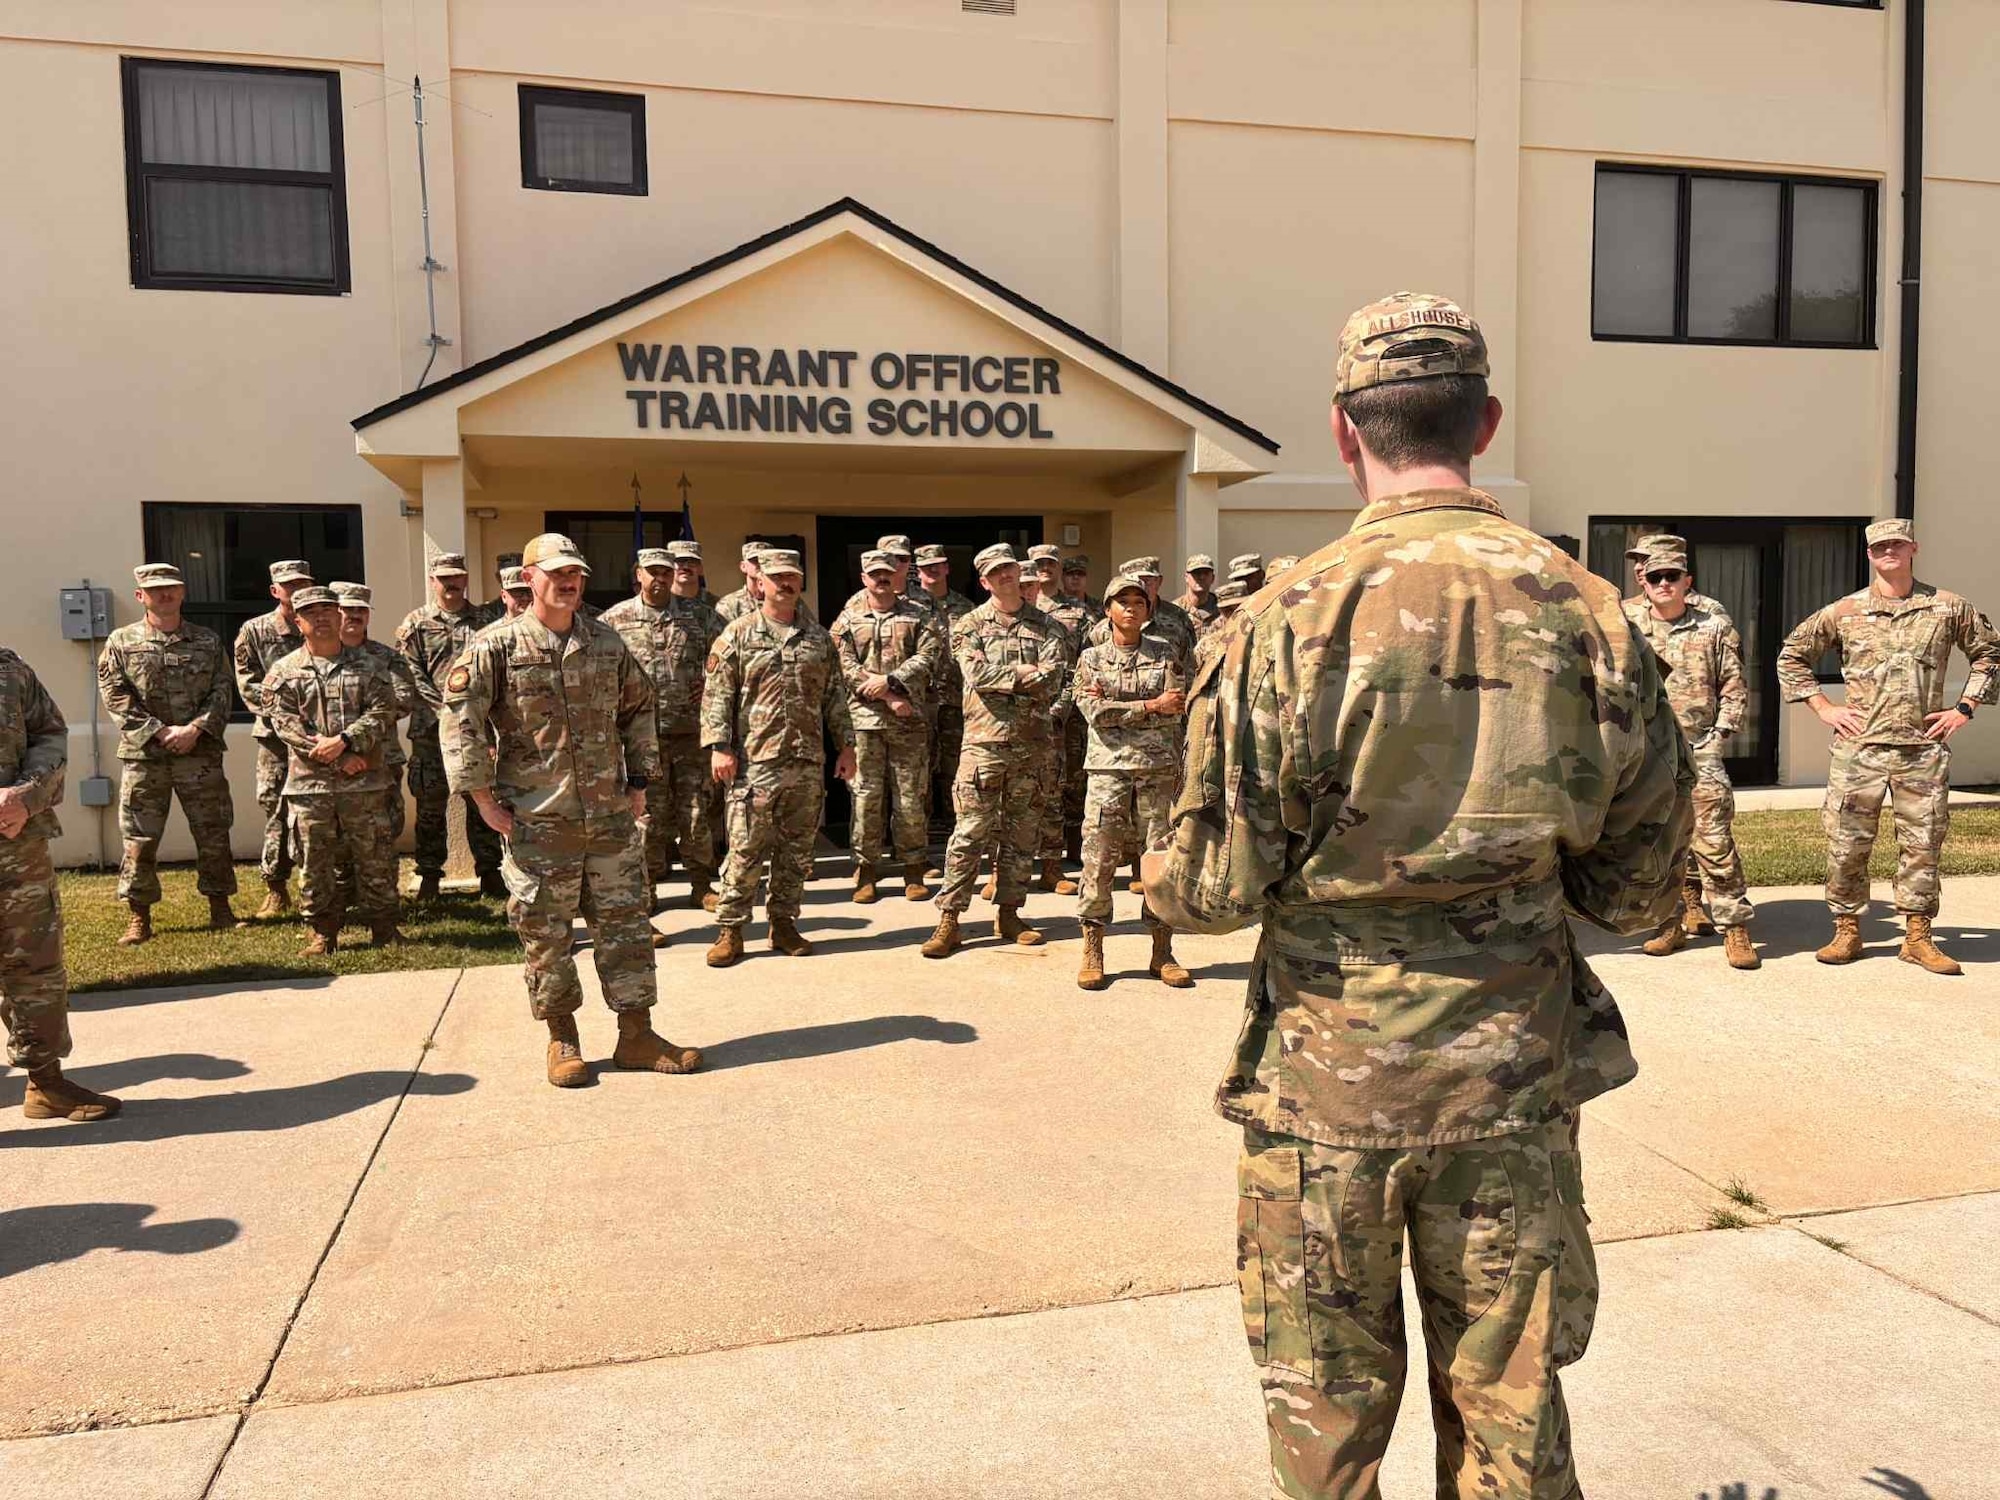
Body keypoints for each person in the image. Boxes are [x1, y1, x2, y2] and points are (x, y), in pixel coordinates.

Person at [1148, 291, 1690, 1499]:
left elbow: (1208, 890)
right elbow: (1647, 883)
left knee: (1324, 1423)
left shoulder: (1279, 619)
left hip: (1327, 1087)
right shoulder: (1591, 613)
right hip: (1511, 1082)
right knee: (1509, 1408)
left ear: (1343, 434)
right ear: (1484, 423)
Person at [443, 532, 700, 1088]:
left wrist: (639, 782)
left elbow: (639, 710)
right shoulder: (497, 646)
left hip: (608, 817)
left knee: (626, 927)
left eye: (577, 574)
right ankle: (563, 1038)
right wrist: (482, 799)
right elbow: (460, 720)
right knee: (546, 933)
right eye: (556, 572)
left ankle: (637, 1034)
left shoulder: (607, 644)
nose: (568, 581)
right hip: (538, 819)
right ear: (529, 579)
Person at [1777, 516, 2000, 974]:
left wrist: (1965, 707)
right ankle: (1846, 929)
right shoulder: (1844, 611)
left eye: (1897, 545)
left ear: (1913, 548)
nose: (1889, 553)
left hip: (1922, 749)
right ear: (1869, 556)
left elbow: (1989, 653)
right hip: (1859, 750)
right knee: (1847, 843)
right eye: (1880, 548)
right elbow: (1792, 656)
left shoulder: (1947, 607)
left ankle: (1917, 935)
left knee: (1923, 843)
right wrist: (1824, 708)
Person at [701, 549, 855, 966]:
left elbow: (835, 696)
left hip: (806, 762)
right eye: (777, 577)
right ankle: (730, 930)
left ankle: (783, 924)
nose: (785, 584)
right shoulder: (738, 634)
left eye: (792, 577)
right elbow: (718, 695)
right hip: (755, 763)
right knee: (746, 850)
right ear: (760, 582)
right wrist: (720, 746)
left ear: (800, 582)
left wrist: (847, 746)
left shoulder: (819, 639)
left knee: (797, 851)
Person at [921, 544, 1067, 957]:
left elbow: (1053, 677)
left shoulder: (1048, 626)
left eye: (1009, 569)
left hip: (1032, 747)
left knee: (1022, 836)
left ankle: (1009, 912)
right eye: (996, 572)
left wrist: (1009, 676)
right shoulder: (969, 625)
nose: (1005, 576)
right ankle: (949, 920)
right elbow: (976, 673)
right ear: (984, 581)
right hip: (984, 746)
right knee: (969, 834)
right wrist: (1024, 672)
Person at [2, 648, 119, 1122]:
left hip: (15, 847)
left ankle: (45, 1083)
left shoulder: (9, 670)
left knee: (34, 967)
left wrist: (27, 796)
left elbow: (50, 734)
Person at [98, 562, 240, 944]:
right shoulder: (121, 642)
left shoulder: (207, 641)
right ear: (140, 596)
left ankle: (220, 907)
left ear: (182, 593)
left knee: (213, 832)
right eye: (156, 589)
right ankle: (139, 917)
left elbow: (223, 690)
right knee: (140, 840)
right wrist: (159, 731)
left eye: (172, 588)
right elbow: (115, 695)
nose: (165, 595)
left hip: (199, 754)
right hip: (146, 758)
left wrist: (195, 729)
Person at [1631, 552, 1759, 968]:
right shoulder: (1628, 628)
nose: (1663, 583)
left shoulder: (1714, 628)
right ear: (1644, 583)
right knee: (1658, 842)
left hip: (1699, 748)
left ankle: (1736, 928)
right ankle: (1669, 923)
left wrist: (1720, 736)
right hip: (1647, 753)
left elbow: (1735, 687)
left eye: (1671, 576)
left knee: (1714, 841)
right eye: (1655, 578)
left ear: (1687, 581)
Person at [263, 587, 403, 953]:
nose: (322, 617)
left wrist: (345, 740)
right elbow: (285, 725)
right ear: (298, 621)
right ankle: (322, 931)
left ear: (341, 616)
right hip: (311, 787)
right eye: (311, 612)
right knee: (314, 861)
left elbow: (382, 712)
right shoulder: (283, 672)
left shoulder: (370, 667)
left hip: (365, 781)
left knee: (376, 856)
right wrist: (338, 755)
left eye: (328, 610)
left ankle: (384, 928)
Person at [1073, 574, 1190, 991]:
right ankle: (1093, 946)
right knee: (1099, 857)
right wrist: (1148, 706)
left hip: (1157, 769)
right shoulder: (1091, 658)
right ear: (1107, 610)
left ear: (1148, 611)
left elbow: (1176, 706)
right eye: (1121, 602)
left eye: (1138, 602)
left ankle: (1162, 950)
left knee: (1159, 859)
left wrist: (1126, 707)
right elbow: (1093, 711)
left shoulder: (1166, 653)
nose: (1130, 608)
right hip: (1107, 770)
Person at [602, 547, 725, 923]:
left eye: (666, 572)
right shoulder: (614, 620)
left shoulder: (700, 616)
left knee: (696, 812)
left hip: (690, 733)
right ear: (637, 573)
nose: (660, 579)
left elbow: (725, 662)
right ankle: (648, 888)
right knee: (647, 816)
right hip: (642, 737)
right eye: (652, 572)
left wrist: (710, 684)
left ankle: (702, 885)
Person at [832, 550, 943, 904]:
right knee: (866, 797)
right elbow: (842, 664)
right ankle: (866, 871)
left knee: (911, 797)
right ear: (864, 578)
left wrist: (892, 682)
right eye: (874, 574)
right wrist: (885, 695)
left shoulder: (919, 616)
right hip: (864, 723)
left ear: (897, 576)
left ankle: (913, 868)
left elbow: (929, 657)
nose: (881, 579)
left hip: (908, 721)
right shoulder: (848, 619)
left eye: (887, 573)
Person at [396, 552, 506, 902]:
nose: (451, 583)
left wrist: (475, 715)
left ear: (466, 579)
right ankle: (429, 875)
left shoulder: (485, 621)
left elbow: (495, 671)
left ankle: (490, 872)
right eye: (444, 578)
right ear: (433, 581)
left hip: (478, 730)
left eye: (457, 577)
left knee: (481, 800)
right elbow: (410, 674)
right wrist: (446, 711)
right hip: (431, 733)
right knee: (430, 807)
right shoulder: (414, 624)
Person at [233, 559, 311, 917]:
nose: (295, 592)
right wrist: (287, 717)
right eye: (289, 586)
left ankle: (331, 886)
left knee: (321, 811)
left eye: (301, 584)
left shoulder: (324, 622)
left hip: (318, 737)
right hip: (275, 739)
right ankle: (276, 888)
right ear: (275, 590)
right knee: (277, 811)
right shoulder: (255, 630)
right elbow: (247, 683)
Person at [332, 580, 418, 859]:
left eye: (361, 609)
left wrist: (356, 727)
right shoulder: (321, 656)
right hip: (333, 757)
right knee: (336, 831)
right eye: (348, 609)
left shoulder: (387, 657)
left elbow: (403, 699)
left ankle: (380, 896)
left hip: (381, 756)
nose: (355, 615)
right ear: (336, 612)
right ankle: (344, 895)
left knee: (386, 825)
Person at [914, 542, 978, 853]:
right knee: (919, 776)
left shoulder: (966, 608)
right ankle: (918, 848)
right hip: (918, 703)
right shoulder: (908, 607)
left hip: (956, 702)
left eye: (938, 565)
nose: (933, 571)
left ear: (947, 568)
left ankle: (959, 845)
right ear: (918, 571)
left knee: (956, 774)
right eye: (927, 567)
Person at [1044, 555, 1098, 866]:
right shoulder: (1043, 611)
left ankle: (1074, 849)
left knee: (1076, 780)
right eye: (1071, 574)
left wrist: (1065, 705)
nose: (1075, 579)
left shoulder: (1088, 612)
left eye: (1081, 574)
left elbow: (1086, 664)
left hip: (1077, 714)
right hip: (1041, 710)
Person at [1192, 578, 1250, 672]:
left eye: (1240, 608)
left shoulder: (1260, 637)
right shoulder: (1206, 645)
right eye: (1229, 610)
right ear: (1221, 611)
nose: (1236, 615)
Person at [1175, 554, 1219, 630]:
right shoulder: (1174, 611)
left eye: (1206, 573)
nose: (1201, 577)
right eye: (1196, 573)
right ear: (1186, 578)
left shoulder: (1223, 609)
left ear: (1213, 578)